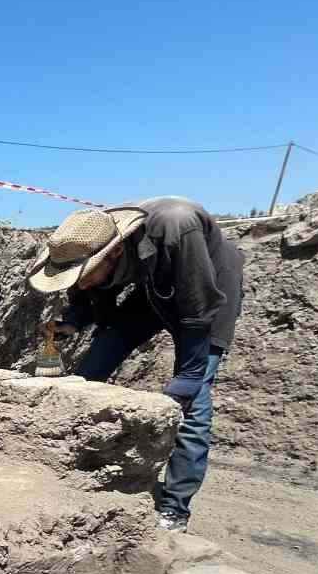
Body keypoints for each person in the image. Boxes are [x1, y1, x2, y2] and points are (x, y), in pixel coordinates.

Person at [27, 197, 245, 531]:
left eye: (86, 273)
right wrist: (74, 319)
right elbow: (85, 290)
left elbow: (196, 311)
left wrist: (186, 379)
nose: (80, 281)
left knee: (191, 400)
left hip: (206, 287)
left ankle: (174, 508)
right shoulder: (88, 235)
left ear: (113, 253)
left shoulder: (176, 227)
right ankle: (73, 461)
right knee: (95, 363)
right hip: (150, 283)